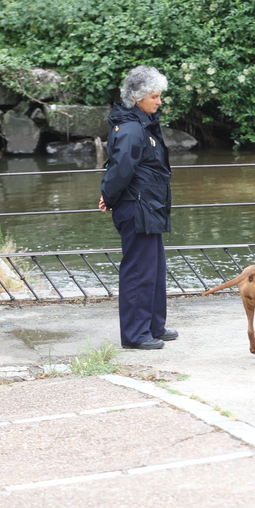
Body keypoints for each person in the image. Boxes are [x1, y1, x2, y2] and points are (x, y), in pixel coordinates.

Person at [98, 66, 178, 350]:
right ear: (137, 97)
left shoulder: (143, 123)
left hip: (150, 205)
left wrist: (110, 196)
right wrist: (108, 196)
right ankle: (136, 335)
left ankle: (154, 326)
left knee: (154, 270)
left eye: (159, 96)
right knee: (138, 272)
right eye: (154, 96)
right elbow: (120, 169)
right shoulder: (131, 128)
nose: (159, 101)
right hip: (138, 207)